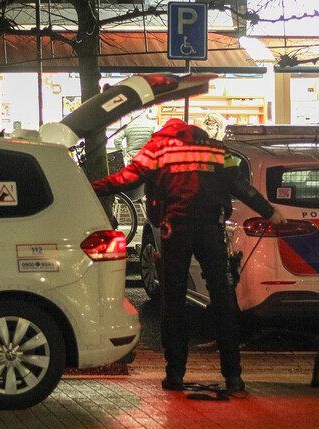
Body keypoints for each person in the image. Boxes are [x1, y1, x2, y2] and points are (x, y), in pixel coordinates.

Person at [92, 118, 287, 396]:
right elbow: (241, 186)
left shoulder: (159, 146)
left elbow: (127, 178)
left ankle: (175, 375)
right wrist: (270, 212)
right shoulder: (215, 148)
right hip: (211, 230)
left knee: (173, 301)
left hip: (175, 229)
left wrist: (92, 187)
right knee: (223, 299)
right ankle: (233, 377)